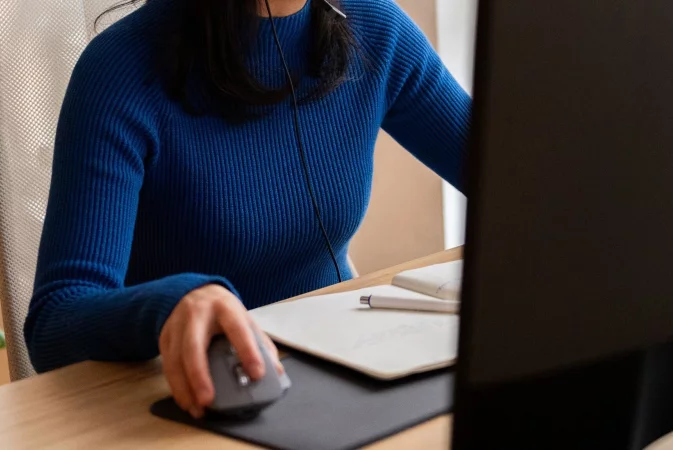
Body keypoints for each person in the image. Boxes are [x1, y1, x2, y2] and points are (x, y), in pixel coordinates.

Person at [26, 0, 470, 418]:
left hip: (348, 372)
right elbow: (54, 322)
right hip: (190, 398)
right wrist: (171, 304)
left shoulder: (371, 25)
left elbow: (513, 180)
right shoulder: (121, 69)